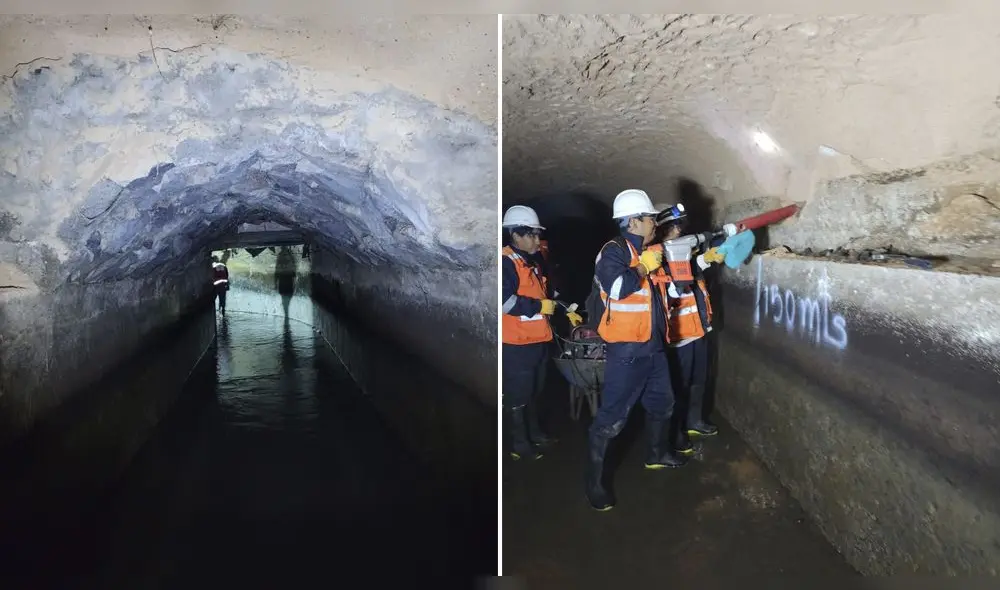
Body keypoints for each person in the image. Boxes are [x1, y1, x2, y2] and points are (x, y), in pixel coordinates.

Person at [585, 189, 686, 512]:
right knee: (611, 419)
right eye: (649, 218)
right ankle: (595, 484)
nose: (654, 223)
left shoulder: (648, 251)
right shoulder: (613, 252)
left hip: (653, 346)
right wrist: (643, 267)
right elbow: (617, 287)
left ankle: (657, 454)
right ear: (632, 221)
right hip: (626, 350)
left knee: (663, 403)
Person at [502, 205, 581, 461]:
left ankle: (535, 433)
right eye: (532, 235)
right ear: (516, 236)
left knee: (535, 390)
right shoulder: (506, 262)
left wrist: (566, 307)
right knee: (519, 394)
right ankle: (519, 443)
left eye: (537, 235)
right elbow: (503, 302)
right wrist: (537, 306)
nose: (537, 240)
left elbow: (547, 294)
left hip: (537, 339)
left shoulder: (533, 261)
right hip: (517, 343)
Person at [653, 203, 726, 456]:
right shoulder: (656, 258)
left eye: (680, 226)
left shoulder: (682, 252)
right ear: (661, 230)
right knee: (678, 387)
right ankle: (677, 432)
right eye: (673, 227)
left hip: (697, 331)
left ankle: (694, 421)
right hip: (676, 337)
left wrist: (704, 260)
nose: (678, 231)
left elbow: (690, 270)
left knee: (698, 380)